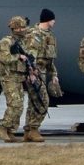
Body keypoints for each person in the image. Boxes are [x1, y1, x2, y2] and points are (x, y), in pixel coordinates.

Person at [22, 8, 59, 143]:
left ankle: (28, 131)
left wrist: (54, 74)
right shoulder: (34, 35)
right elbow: (30, 56)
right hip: (34, 73)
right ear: (48, 20)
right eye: (53, 19)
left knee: (34, 102)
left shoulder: (49, 35)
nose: (54, 22)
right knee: (43, 101)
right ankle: (34, 129)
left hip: (42, 72)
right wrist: (31, 72)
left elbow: (50, 58)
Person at [0, 16, 30, 143]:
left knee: (20, 105)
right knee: (14, 103)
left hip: (18, 77)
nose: (23, 29)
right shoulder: (7, 41)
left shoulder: (21, 42)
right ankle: (3, 127)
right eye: (21, 27)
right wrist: (18, 56)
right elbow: (4, 58)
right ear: (15, 28)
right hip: (8, 77)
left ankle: (11, 131)